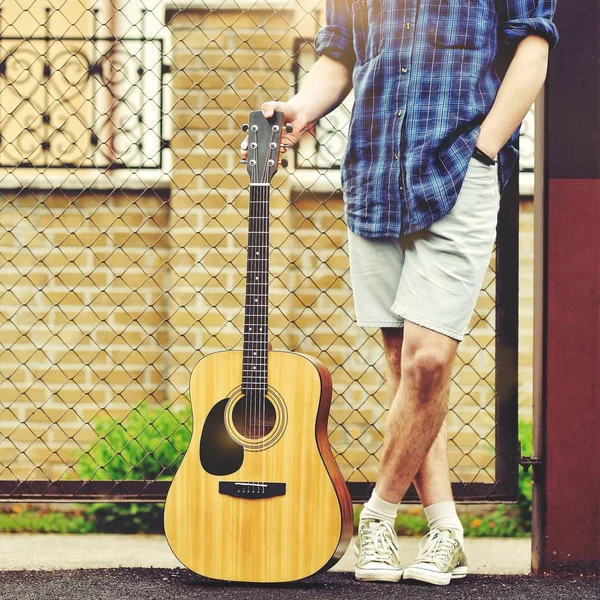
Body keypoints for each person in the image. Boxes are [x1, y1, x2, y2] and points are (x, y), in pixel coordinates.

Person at [241, 0, 559, 586]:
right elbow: (337, 57)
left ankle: (377, 518)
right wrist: (298, 108)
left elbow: (532, 50)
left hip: (459, 171)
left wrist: (484, 152)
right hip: (373, 174)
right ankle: (445, 531)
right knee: (401, 363)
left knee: (429, 362)